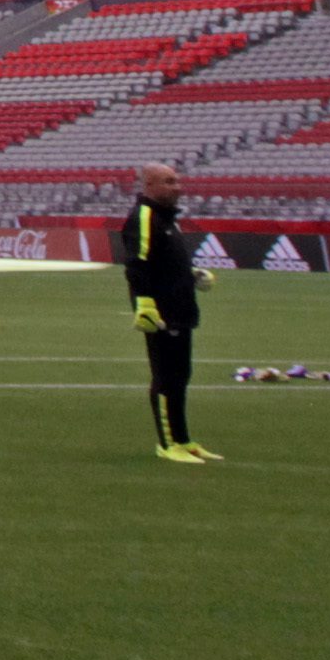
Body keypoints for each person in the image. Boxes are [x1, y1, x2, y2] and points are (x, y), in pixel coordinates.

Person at [125, 162, 213, 465]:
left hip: (181, 309)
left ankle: (184, 440)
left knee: (180, 377)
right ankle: (167, 443)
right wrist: (145, 304)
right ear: (149, 185)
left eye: (177, 180)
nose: (178, 187)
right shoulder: (145, 217)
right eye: (168, 181)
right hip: (162, 314)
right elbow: (138, 265)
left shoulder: (166, 219)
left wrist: (193, 276)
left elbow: (166, 262)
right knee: (166, 378)